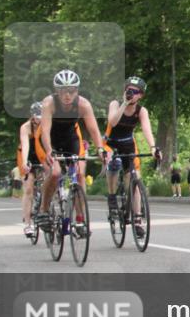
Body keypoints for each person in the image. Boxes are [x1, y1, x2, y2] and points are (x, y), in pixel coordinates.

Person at [38, 70, 108, 232]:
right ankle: (44, 210)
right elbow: (45, 132)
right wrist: (49, 151)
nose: (67, 95)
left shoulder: (83, 105)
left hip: (71, 140)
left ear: (77, 91)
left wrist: (100, 149)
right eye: (63, 91)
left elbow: (94, 130)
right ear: (57, 91)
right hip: (51, 141)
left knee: (79, 175)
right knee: (55, 173)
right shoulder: (49, 103)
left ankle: (80, 219)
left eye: (71, 91)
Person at [103, 76, 161, 238]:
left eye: (135, 92)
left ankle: (137, 219)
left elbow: (147, 129)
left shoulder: (141, 111)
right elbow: (113, 122)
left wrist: (153, 148)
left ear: (141, 95)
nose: (131, 94)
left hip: (128, 143)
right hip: (111, 142)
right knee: (113, 164)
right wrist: (124, 103)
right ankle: (112, 196)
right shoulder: (115, 104)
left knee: (135, 179)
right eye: (128, 90)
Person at [16, 102, 43, 235]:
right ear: (32, 117)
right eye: (37, 117)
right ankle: (27, 223)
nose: (40, 120)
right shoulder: (26, 128)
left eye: (42, 117)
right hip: (27, 155)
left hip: (41, 154)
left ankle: (44, 209)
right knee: (28, 188)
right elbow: (25, 145)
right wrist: (25, 162)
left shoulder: (48, 125)